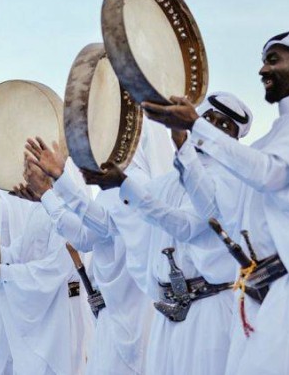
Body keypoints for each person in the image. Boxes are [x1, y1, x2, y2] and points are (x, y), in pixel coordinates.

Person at [142, 30, 289, 374]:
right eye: (263, 61)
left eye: (273, 59)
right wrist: (184, 147)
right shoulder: (270, 140)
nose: (263, 70)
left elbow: (272, 173)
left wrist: (198, 127)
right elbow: (215, 210)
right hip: (256, 295)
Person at [115, 92, 253, 375]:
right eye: (209, 119)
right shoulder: (168, 180)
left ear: (234, 141)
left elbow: (187, 226)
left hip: (209, 314)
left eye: (224, 126)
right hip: (167, 314)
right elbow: (119, 213)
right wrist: (56, 186)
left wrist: (181, 150)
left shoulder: (231, 178)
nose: (213, 127)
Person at [21, 119, 173, 375]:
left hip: (129, 319)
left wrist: (55, 184)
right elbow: (87, 232)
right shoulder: (123, 188)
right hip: (118, 315)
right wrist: (46, 195)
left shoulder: (133, 184)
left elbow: (92, 229)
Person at [0, 172, 76, 375]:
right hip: (32, 315)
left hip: (55, 313)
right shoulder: (37, 209)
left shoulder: (66, 206)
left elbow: (57, 268)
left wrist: (2, 272)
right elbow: (18, 252)